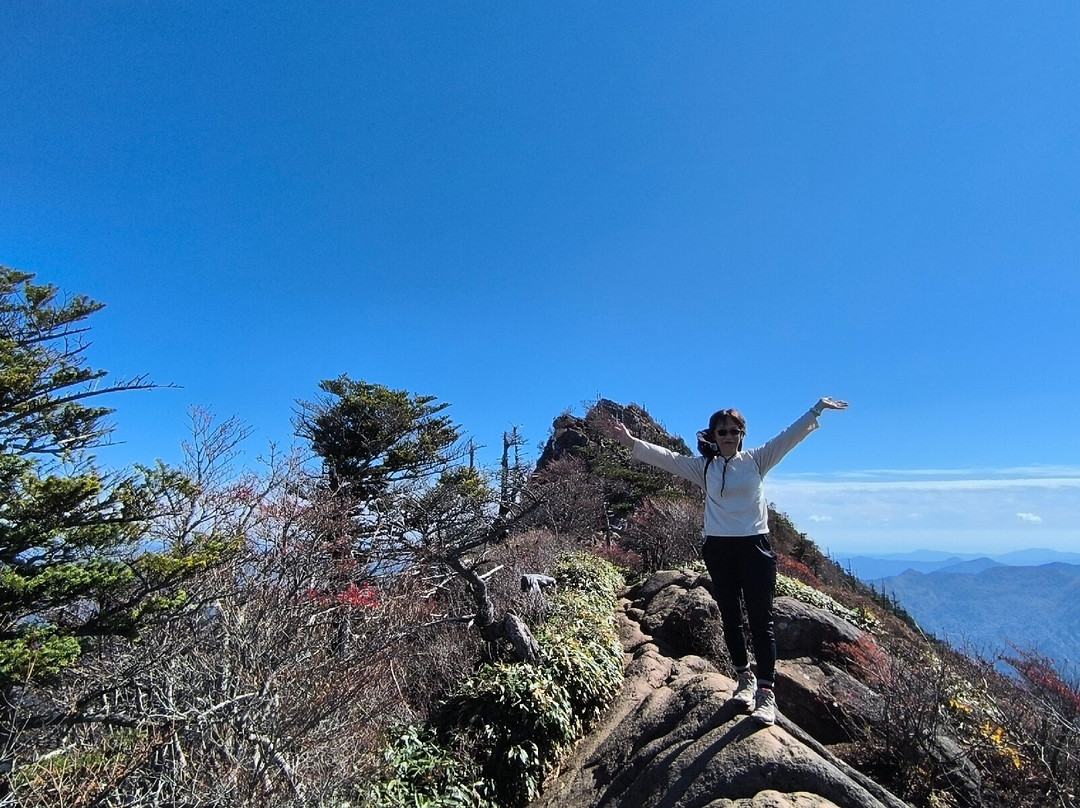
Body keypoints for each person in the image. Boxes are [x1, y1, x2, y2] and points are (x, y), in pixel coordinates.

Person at [599, 397, 848, 726]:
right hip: (719, 549)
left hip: (755, 549)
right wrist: (631, 442)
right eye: (722, 431)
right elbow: (668, 458)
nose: (728, 436)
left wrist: (816, 410)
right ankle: (743, 679)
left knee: (761, 622)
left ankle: (766, 695)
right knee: (730, 618)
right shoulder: (705, 468)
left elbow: (789, 436)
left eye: (734, 430)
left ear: (742, 434)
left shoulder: (758, 460)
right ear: (713, 435)